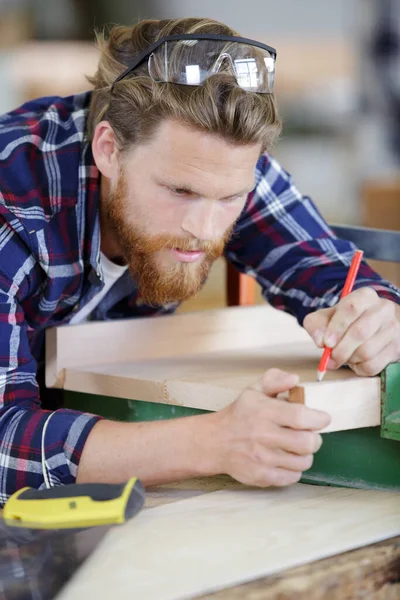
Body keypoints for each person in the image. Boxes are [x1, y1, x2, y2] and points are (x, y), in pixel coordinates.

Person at [0, 18, 399, 507]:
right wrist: (211, 443)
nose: (206, 228)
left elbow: (324, 267)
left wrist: (376, 315)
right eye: (180, 193)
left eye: (232, 197)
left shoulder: (213, 163)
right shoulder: (13, 208)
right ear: (109, 148)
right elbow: (5, 444)